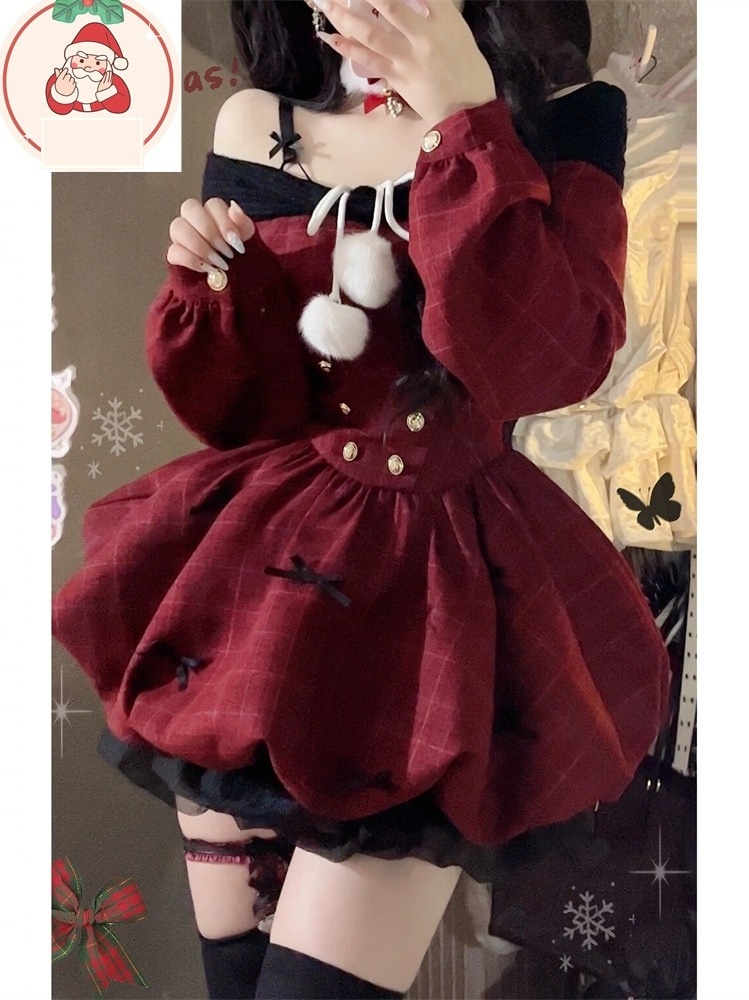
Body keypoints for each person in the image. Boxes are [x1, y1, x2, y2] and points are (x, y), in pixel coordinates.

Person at [52, 2, 673, 998]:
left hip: (442, 605)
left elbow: (542, 362)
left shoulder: (558, 114)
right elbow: (245, 413)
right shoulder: (259, 121)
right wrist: (215, 288)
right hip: (259, 600)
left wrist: (467, 116)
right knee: (236, 984)